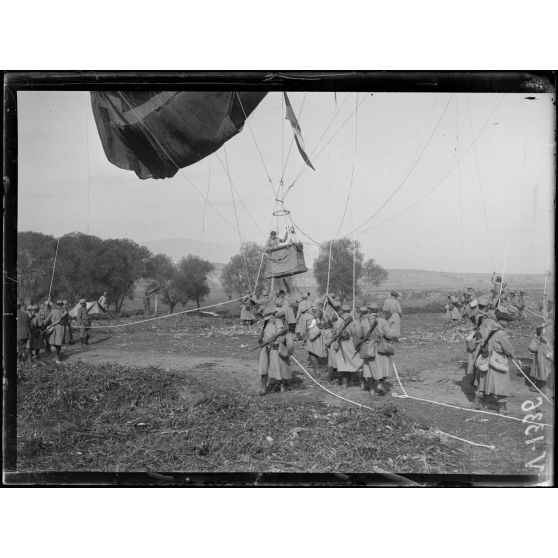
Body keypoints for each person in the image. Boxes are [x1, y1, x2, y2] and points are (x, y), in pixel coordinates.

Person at [473, 314, 515, 414]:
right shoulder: (501, 333)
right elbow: (507, 348)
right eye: (507, 321)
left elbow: (482, 341)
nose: (508, 323)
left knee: (483, 382)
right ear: (501, 321)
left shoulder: (489, 328)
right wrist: (512, 355)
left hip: (486, 359)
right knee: (503, 383)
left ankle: (477, 403)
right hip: (497, 361)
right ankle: (502, 408)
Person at [361, 303, 394, 396]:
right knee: (381, 367)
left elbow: (360, 335)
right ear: (377, 311)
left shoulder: (363, 321)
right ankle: (379, 384)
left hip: (368, 347)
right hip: (380, 347)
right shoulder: (382, 321)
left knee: (368, 369)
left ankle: (371, 390)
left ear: (369, 310)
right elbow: (390, 335)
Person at [333, 303, 363, 389]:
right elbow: (360, 334)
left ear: (342, 311)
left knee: (344, 365)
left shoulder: (337, 322)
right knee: (357, 363)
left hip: (342, 345)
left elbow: (334, 332)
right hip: (352, 345)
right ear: (349, 311)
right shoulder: (355, 322)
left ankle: (345, 384)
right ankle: (361, 383)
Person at [528, 319, 554, 396]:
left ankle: (538, 386)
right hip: (546, 350)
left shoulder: (544, 327)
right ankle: (541, 387)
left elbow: (539, 335)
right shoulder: (546, 327)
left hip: (543, 350)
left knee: (541, 368)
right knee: (544, 368)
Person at [44, 299, 70, 364]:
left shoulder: (53, 311)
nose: (59, 306)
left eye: (59, 305)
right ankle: (57, 357)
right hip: (61, 329)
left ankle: (56, 357)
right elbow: (67, 321)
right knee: (58, 344)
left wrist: (43, 325)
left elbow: (46, 320)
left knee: (54, 343)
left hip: (54, 328)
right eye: (59, 305)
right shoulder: (65, 311)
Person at [305, 306, 327, 374]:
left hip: (314, 340)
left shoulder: (317, 321)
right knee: (315, 354)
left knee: (313, 355)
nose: (312, 313)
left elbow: (318, 328)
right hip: (315, 339)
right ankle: (318, 369)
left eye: (314, 313)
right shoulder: (320, 320)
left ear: (317, 315)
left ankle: (317, 370)